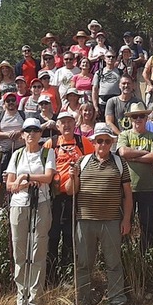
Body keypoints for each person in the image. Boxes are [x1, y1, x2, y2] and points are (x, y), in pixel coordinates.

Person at [70, 123, 133, 305]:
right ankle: (83, 303)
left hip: (112, 220)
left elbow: (128, 195)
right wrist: (72, 177)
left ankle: (117, 301)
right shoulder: (83, 161)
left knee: (113, 263)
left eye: (107, 141)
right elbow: (71, 190)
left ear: (112, 142)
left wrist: (127, 220)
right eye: (99, 141)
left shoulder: (120, 163)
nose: (103, 144)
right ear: (94, 142)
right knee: (83, 264)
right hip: (85, 220)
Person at [5, 117, 56, 305]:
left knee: (37, 250)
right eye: (27, 130)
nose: (31, 134)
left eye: (35, 130)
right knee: (19, 251)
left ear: (40, 134)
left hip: (41, 203)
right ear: (23, 133)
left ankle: (34, 300)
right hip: (19, 205)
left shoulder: (47, 152)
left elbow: (48, 177)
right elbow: (9, 184)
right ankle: (21, 299)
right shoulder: (17, 155)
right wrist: (22, 181)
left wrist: (25, 178)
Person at [46, 111, 94, 286]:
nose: (66, 125)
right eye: (62, 122)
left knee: (70, 235)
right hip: (54, 198)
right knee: (52, 236)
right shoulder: (50, 144)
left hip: (75, 197)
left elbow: (93, 164)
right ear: (57, 126)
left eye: (69, 122)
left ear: (75, 124)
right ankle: (50, 277)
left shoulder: (84, 142)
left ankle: (67, 275)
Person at [116, 103, 153, 253]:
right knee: (124, 224)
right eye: (135, 116)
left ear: (146, 118)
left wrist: (134, 156)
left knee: (148, 226)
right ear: (131, 119)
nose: (138, 119)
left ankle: (146, 258)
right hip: (127, 187)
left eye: (141, 116)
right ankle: (125, 257)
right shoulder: (124, 135)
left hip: (149, 187)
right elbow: (123, 152)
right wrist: (144, 152)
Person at [92, 50, 123, 119]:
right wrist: (95, 106)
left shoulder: (120, 72)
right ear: (104, 58)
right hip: (102, 103)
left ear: (115, 59)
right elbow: (95, 90)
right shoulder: (99, 73)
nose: (111, 58)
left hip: (116, 101)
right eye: (108, 56)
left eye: (113, 57)